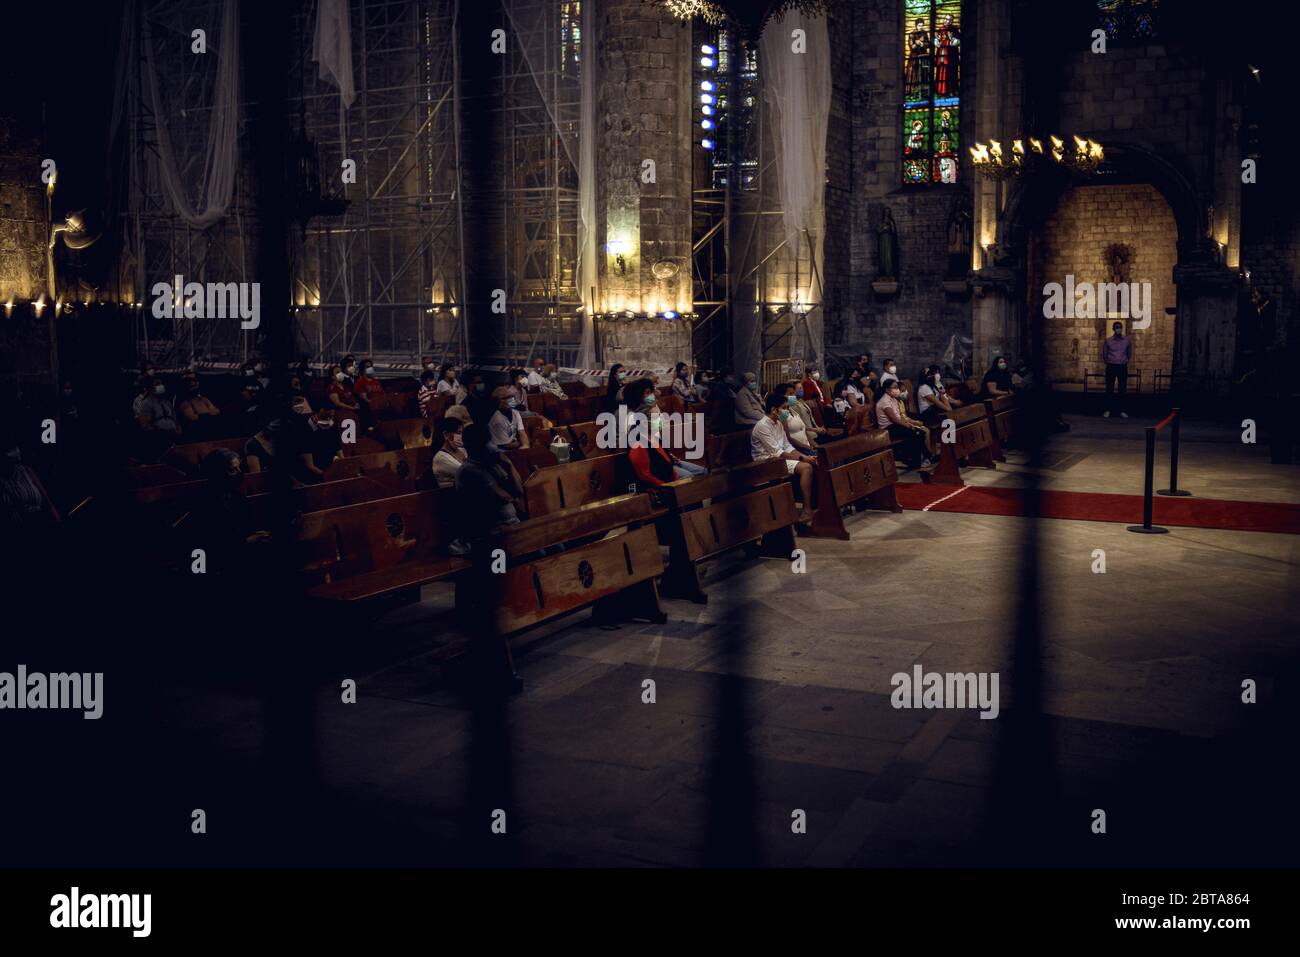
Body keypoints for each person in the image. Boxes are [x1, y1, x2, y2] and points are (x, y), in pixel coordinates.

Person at [622, 380, 707, 485]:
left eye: (650, 392)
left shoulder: (651, 415)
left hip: (667, 463)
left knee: (703, 471)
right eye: (647, 393)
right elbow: (646, 472)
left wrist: (669, 456)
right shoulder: (635, 426)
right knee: (688, 477)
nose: (651, 396)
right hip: (659, 470)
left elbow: (659, 447)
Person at [751, 392, 818, 523]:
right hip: (766, 461)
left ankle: (818, 504)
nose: (787, 411)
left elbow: (788, 447)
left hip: (779, 458)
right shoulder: (762, 426)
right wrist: (803, 460)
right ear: (774, 410)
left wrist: (807, 456)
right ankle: (806, 510)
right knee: (806, 468)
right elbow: (777, 452)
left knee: (815, 461)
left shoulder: (778, 423)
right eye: (784, 408)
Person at [455, 424, 526, 546]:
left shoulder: (493, 463)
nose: (491, 446)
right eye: (487, 442)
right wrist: (514, 497)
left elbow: (520, 490)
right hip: (490, 532)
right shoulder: (469, 470)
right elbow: (504, 496)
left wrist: (509, 464)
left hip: (510, 525)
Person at [1, 441, 60, 532]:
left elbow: (46, 498)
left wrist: (55, 516)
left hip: (41, 521)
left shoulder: (26, 470)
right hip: (18, 529)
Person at [875, 378, 931, 468]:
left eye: (897, 387)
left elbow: (899, 416)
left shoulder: (893, 399)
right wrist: (908, 426)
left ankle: (921, 458)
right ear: (887, 389)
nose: (897, 389)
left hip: (895, 425)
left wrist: (911, 424)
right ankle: (919, 459)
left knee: (919, 432)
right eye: (895, 387)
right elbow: (894, 419)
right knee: (915, 433)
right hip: (887, 428)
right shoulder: (884, 401)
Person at [774, 384, 818, 455]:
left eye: (794, 393)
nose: (794, 396)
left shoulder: (793, 411)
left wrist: (813, 444)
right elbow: (787, 439)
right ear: (782, 396)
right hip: (796, 449)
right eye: (791, 394)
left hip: (807, 446)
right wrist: (806, 447)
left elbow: (803, 430)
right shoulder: (782, 414)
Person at [1101, 321, 1132, 418]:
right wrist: (1109, 361)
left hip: (1122, 367)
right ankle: (1108, 410)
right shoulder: (1108, 341)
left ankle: (1121, 410)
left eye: (1120, 327)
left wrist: (1125, 361)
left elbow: (1129, 353)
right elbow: (1104, 354)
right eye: (1117, 327)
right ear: (1113, 329)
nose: (1119, 329)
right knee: (1109, 388)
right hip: (1111, 366)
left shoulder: (1127, 341)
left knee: (1122, 389)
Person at [487, 385, 529, 451]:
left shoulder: (515, 413)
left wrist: (525, 445)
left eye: (510, 396)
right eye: (504, 398)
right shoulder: (497, 419)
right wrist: (519, 443)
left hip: (513, 446)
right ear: (497, 401)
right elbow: (506, 445)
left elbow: (522, 432)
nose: (509, 400)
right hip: (499, 451)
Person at [431, 417, 467, 489]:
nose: (461, 436)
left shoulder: (463, 450)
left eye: (462, 433)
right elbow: (466, 474)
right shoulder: (440, 458)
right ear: (446, 434)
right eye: (458, 433)